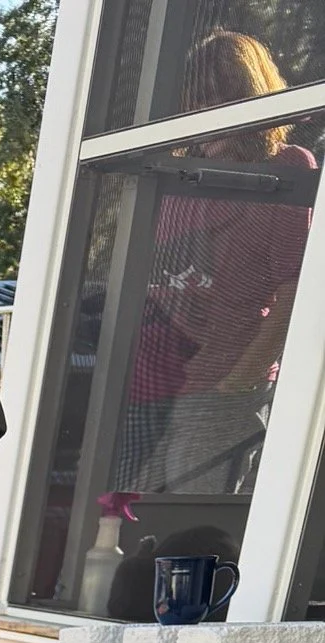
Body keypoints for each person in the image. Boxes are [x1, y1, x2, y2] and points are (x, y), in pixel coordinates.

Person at [114, 30, 316, 498]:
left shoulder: (285, 170)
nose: (207, 115)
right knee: (115, 513)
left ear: (253, 102)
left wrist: (238, 381)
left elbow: (297, 292)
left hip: (218, 386)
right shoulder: (177, 176)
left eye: (222, 101)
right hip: (147, 382)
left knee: (186, 521)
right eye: (196, 101)